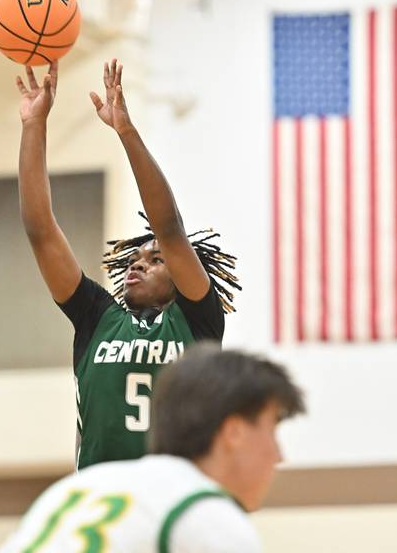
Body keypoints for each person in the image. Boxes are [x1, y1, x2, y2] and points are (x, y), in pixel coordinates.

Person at [15, 58, 242, 469]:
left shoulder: (197, 321)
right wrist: (34, 125)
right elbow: (40, 231)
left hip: (173, 491)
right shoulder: (96, 317)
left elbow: (169, 228)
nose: (137, 266)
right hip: (103, 495)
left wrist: (126, 131)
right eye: (134, 259)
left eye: (155, 260)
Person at [0, 343, 305, 552]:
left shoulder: (79, 488)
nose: (280, 455)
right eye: (272, 430)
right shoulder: (206, 515)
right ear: (233, 432)